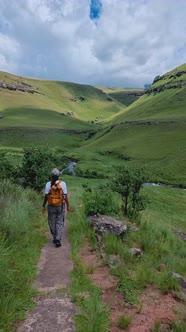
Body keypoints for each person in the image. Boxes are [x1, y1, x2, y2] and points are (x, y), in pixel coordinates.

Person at [42, 168, 70, 247]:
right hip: (60, 205)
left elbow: (46, 197)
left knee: (52, 221)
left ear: (51, 175)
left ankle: (55, 237)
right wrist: (68, 205)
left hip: (51, 206)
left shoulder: (48, 184)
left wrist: (43, 205)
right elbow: (65, 196)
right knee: (60, 221)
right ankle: (58, 239)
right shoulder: (63, 184)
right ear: (58, 176)